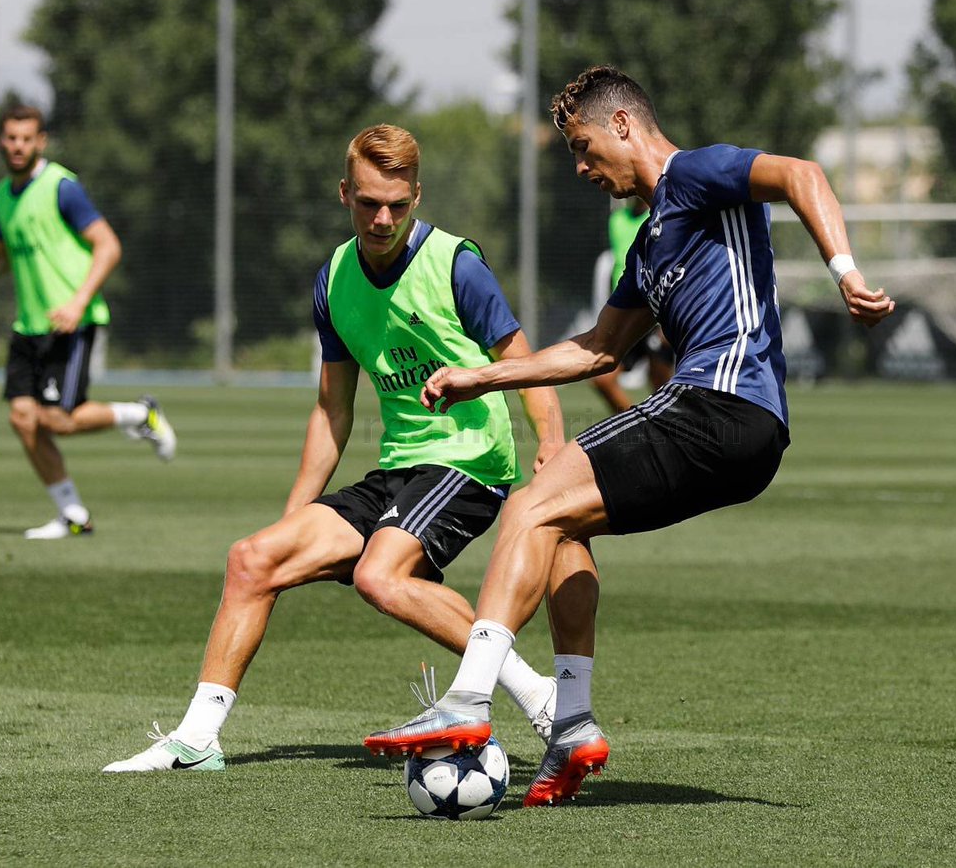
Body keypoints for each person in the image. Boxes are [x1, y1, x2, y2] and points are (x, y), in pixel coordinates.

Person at [364, 66, 896, 806]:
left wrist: (844, 271)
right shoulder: (646, 248)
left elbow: (801, 173)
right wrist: (484, 377)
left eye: (583, 148)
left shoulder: (695, 174)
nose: (582, 169)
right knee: (559, 524)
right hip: (736, 431)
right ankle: (573, 722)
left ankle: (468, 700)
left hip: (723, 402)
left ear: (621, 125)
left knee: (530, 506)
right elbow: (598, 350)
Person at [104, 124, 594, 772]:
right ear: (344, 194)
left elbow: (524, 363)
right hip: (399, 468)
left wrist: (550, 444)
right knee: (252, 560)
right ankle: (197, 740)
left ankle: (538, 696)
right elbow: (332, 411)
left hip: (470, 460)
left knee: (378, 574)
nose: (383, 219)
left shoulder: (456, 265)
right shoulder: (333, 279)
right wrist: (294, 516)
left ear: (417, 196)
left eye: (397, 204)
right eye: (368, 203)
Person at [0, 105, 176, 540]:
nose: (18, 146)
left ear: (41, 141)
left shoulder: (62, 187)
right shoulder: (1, 195)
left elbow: (108, 246)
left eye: (27, 138)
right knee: (22, 418)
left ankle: (140, 414)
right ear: (1, 141)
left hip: (71, 322)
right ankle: (73, 516)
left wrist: (77, 302)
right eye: (11, 138)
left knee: (57, 421)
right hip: (29, 325)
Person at [589, 197, 674, 413]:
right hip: (626, 313)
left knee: (662, 388)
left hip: (655, 314)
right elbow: (618, 266)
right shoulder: (616, 220)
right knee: (603, 378)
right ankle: (636, 424)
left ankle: (669, 427)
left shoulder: (659, 217)